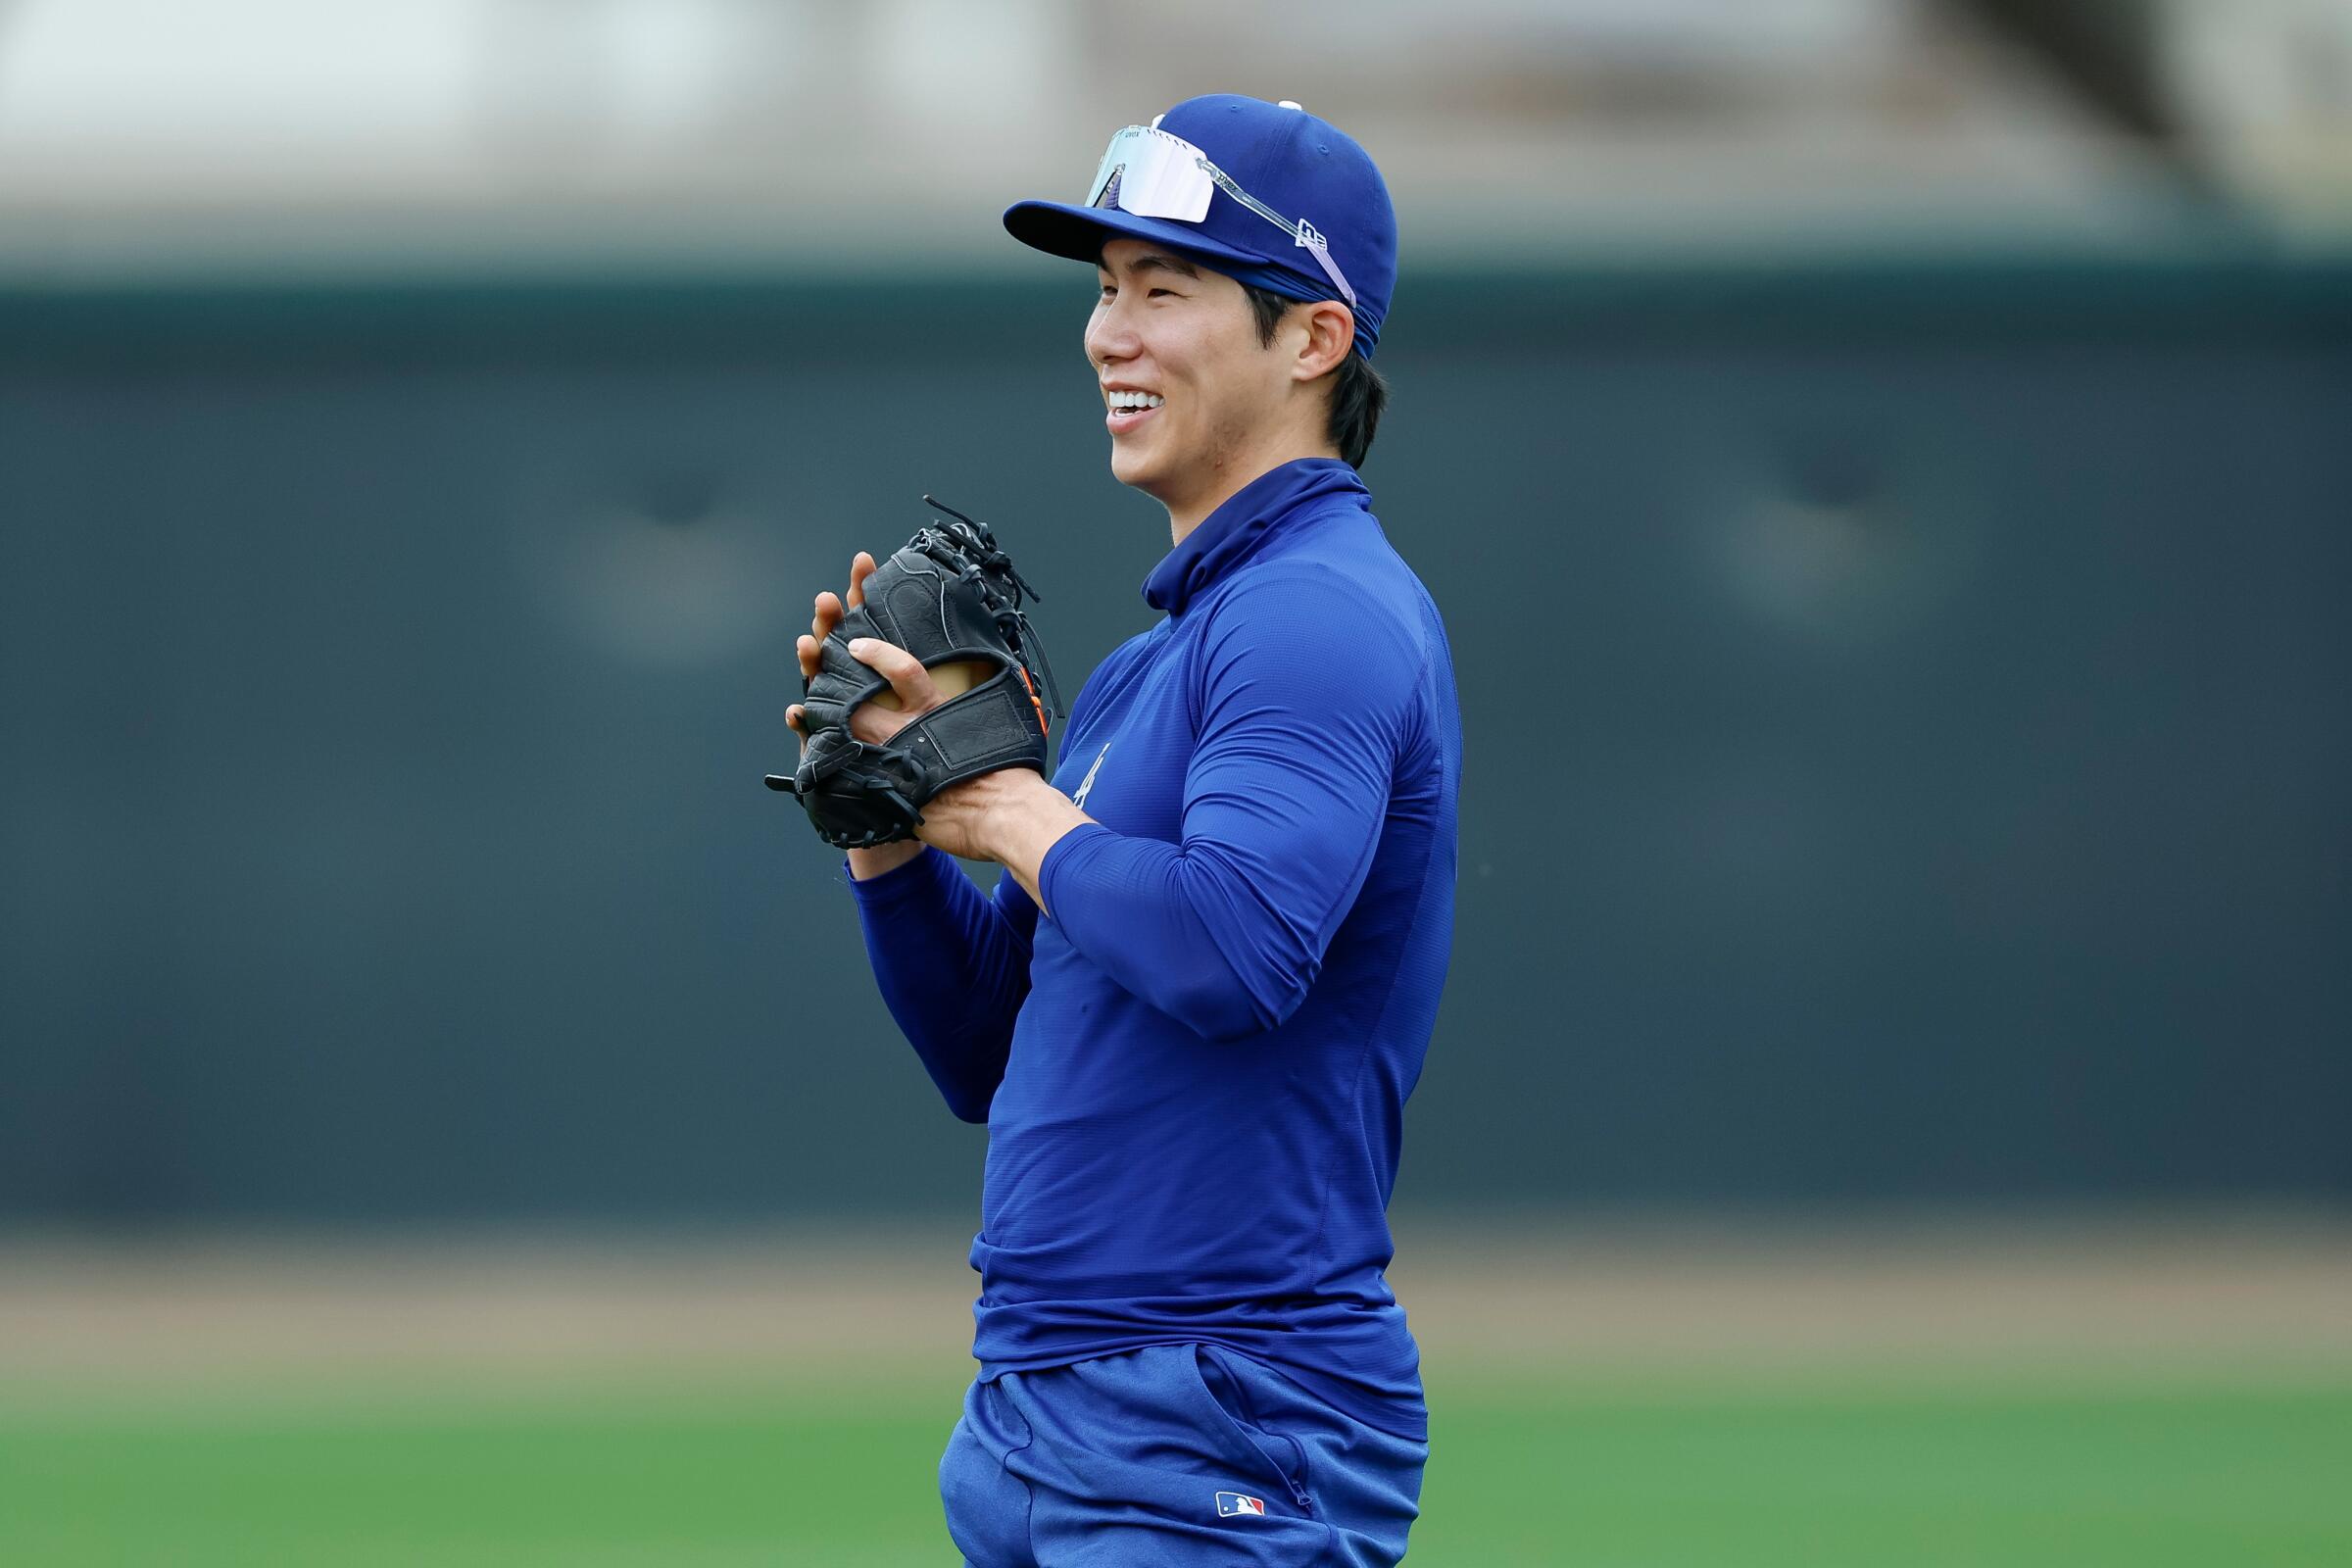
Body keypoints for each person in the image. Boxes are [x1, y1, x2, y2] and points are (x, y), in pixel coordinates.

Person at [784, 93, 1460, 1566]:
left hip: (1222, 1405)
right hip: (1042, 1403)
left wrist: (1015, 808)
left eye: (1167, 289)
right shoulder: (1159, 662)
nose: (1109, 334)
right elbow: (988, 1051)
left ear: (1314, 339)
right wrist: (892, 841)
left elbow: (1231, 950)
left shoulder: (1317, 613)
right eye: (1104, 291)